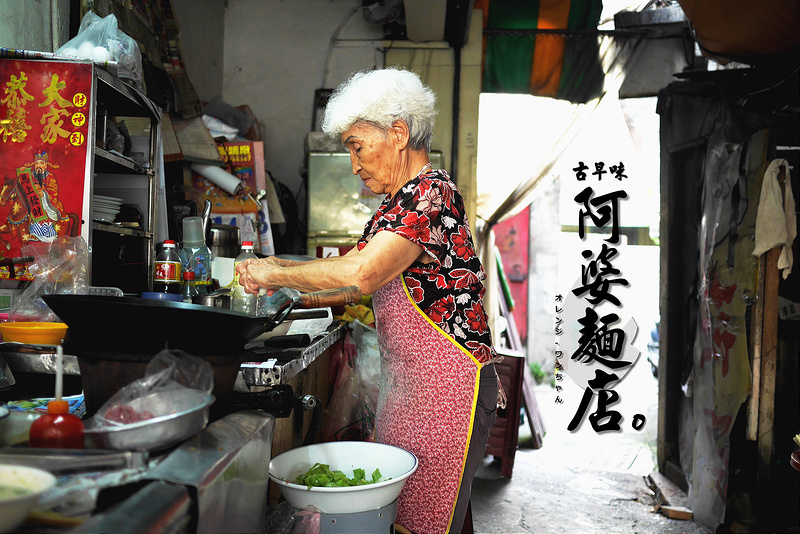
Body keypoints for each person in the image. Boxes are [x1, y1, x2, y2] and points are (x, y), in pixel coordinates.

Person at [236, 68, 503, 534]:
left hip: (447, 391)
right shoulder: (396, 204)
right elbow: (353, 282)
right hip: (411, 389)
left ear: (398, 133)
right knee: (425, 516)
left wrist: (273, 269)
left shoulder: (430, 193)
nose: (354, 164)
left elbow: (363, 274)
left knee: (423, 520)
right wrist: (284, 287)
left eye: (357, 146)